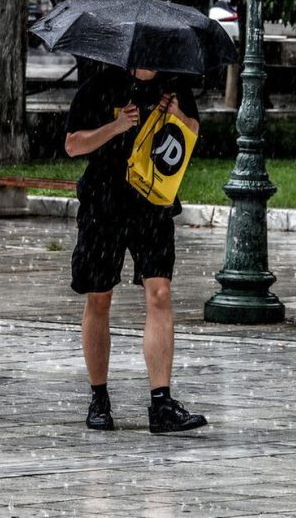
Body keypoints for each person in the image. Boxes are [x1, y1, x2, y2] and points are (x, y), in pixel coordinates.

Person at [65, 65, 207, 434]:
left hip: (153, 203)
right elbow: (73, 145)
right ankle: (99, 398)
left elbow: (193, 132)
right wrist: (116, 126)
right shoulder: (100, 86)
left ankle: (161, 403)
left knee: (160, 293)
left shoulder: (173, 86)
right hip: (103, 204)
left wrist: (177, 114)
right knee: (99, 296)